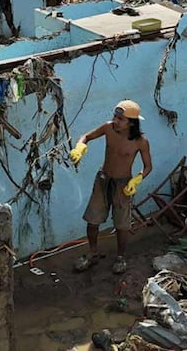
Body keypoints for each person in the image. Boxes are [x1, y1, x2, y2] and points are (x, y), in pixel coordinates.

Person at [69, 100, 153, 274]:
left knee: (122, 224)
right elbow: (87, 136)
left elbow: (148, 166)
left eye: (120, 119)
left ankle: (120, 257)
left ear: (131, 122)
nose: (116, 120)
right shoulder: (108, 128)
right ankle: (93, 253)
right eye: (115, 116)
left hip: (123, 184)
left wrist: (137, 179)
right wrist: (80, 147)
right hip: (103, 179)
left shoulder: (140, 141)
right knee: (92, 220)